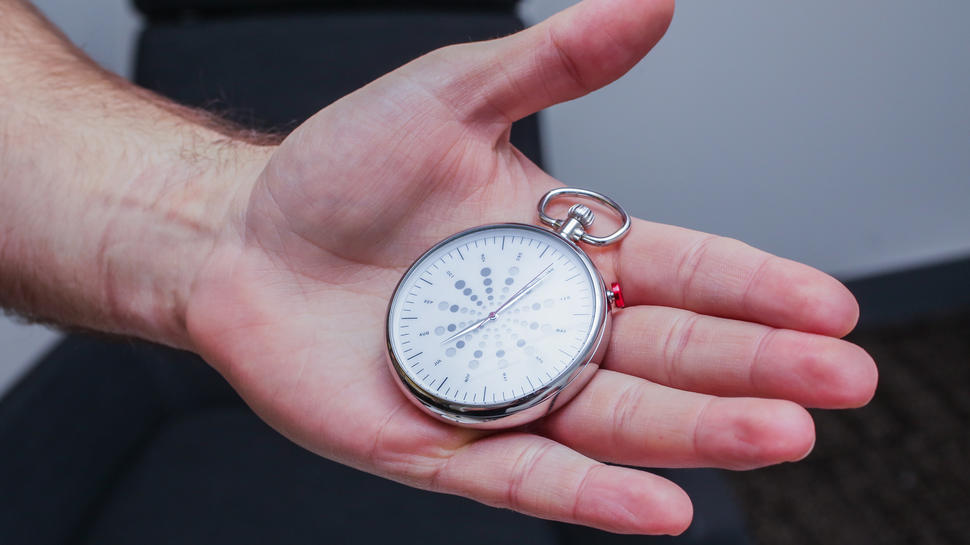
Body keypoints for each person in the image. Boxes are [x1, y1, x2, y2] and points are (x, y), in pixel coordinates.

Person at [0, 0, 878, 536]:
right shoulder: (505, 266)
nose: (497, 309)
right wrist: (229, 231)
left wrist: (219, 227)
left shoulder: (554, 273)